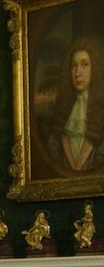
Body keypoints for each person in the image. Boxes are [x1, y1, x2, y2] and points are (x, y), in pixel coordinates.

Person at [46, 36, 104, 172]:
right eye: (74, 66)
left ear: (95, 68)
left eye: (85, 64)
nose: (78, 73)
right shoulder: (63, 113)